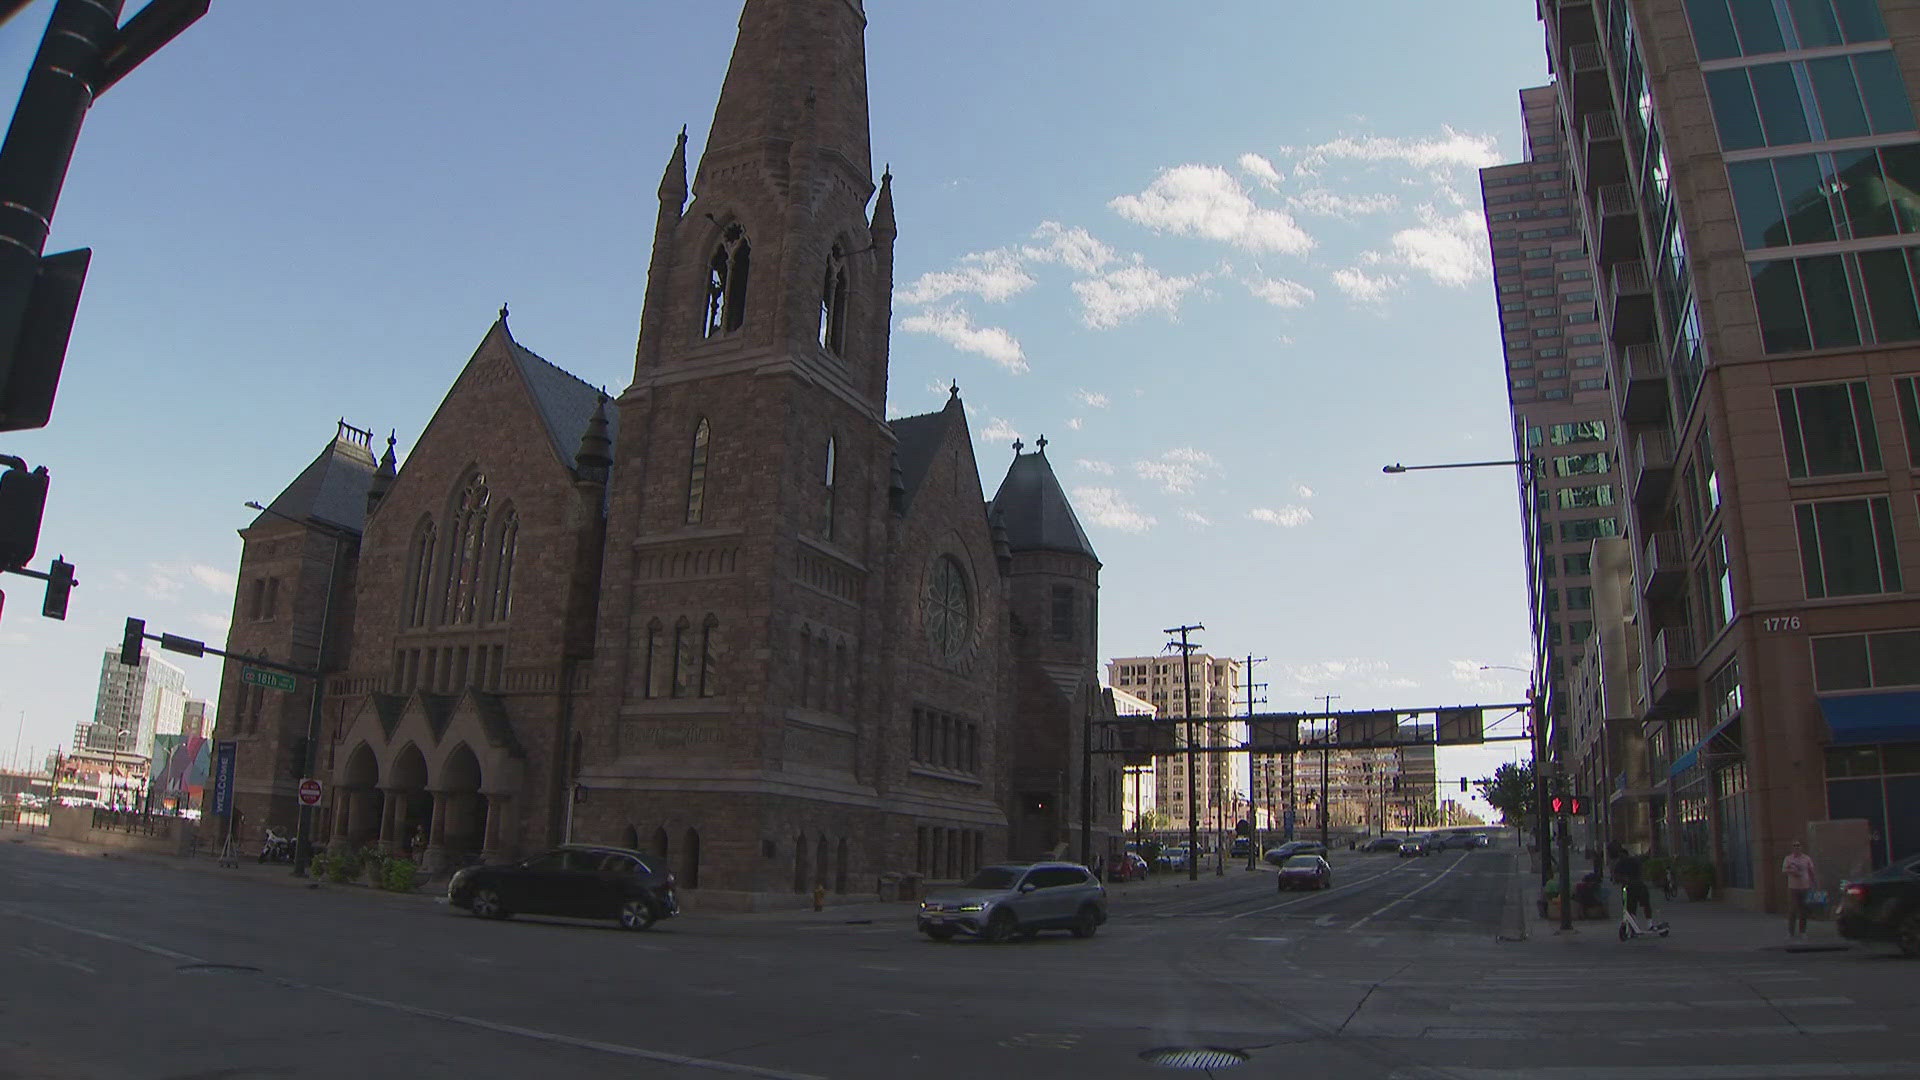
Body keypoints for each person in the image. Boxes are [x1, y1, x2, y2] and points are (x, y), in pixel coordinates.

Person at [1782, 840, 1818, 939]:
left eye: (1798, 845)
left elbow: (1811, 871)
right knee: (1792, 910)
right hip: (1793, 887)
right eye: (1794, 845)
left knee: (1803, 910)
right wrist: (1792, 871)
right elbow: (1784, 870)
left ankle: (1803, 931)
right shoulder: (1788, 859)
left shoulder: (1806, 858)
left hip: (1805, 887)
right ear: (1792, 847)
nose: (1796, 847)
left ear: (1801, 847)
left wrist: (1814, 883)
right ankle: (1790, 932)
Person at [1612, 845, 1652, 921]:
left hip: (1628, 887)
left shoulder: (1619, 864)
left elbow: (1616, 877)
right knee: (1646, 904)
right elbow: (1641, 870)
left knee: (1629, 907)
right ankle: (1649, 923)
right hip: (1639, 884)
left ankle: (1633, 923)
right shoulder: (1635, 861)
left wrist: (1622, 879)